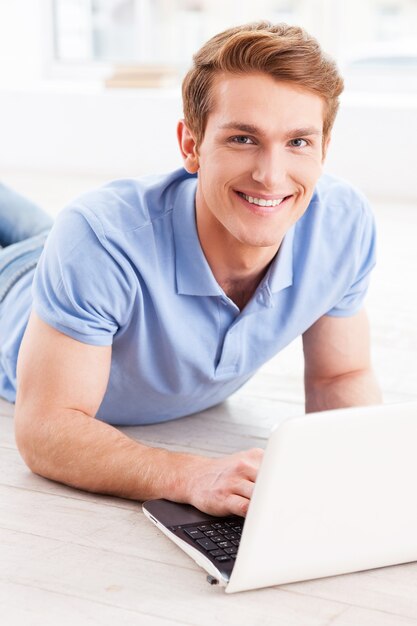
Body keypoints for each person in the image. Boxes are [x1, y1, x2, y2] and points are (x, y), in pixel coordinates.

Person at [1, 21, 381, 517]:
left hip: (73, 254)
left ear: (324, 149)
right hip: (18, 283)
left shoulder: (342, 225)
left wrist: (366, 482)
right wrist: (191, 474)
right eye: (243, 138)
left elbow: (340, 376)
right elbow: (46, 430)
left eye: (298, 142)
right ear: (191, 146)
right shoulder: (96, 239)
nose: (270, 175)